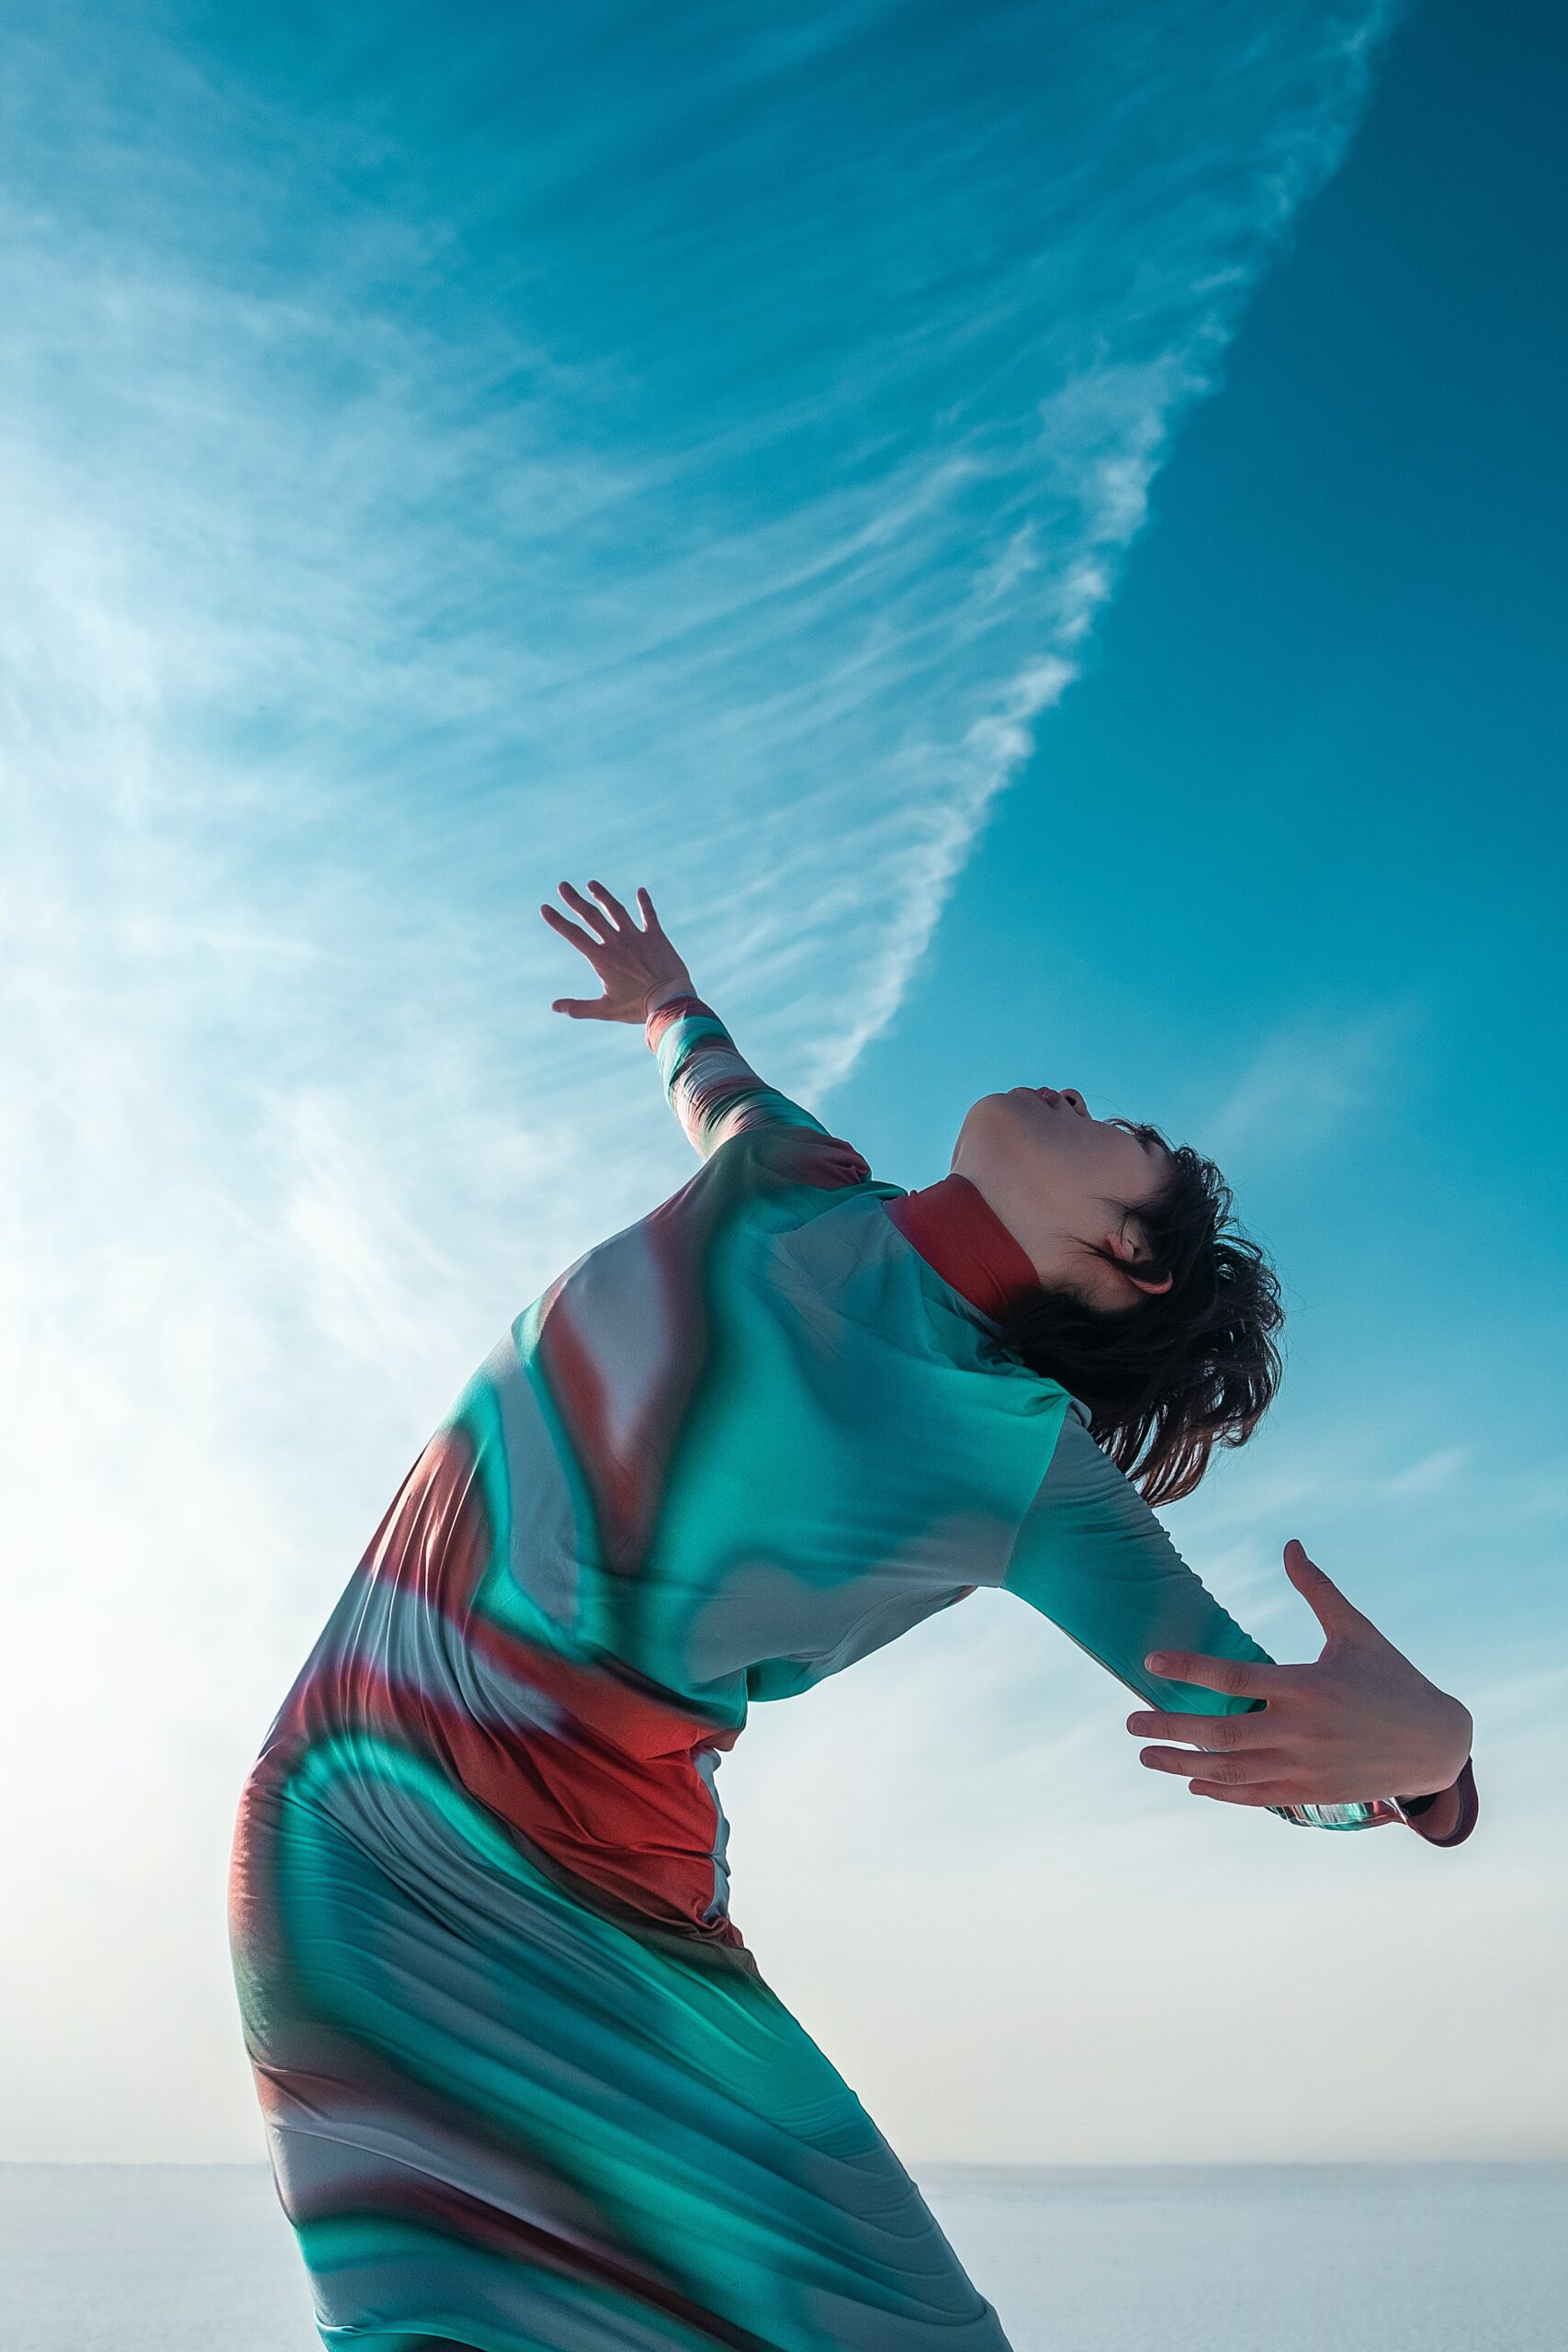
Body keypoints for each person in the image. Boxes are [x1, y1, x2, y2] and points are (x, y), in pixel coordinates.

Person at [229, 878, 1476, 2352]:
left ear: (1131, 1257)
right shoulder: (797, 1170)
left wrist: (1432, 1769)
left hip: (594, 1904)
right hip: (339, 1839)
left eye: (1125, 1140)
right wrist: (661, 1001)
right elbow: (714, 1079)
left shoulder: (1015, 1459)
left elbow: (1250, 1731)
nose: (1088, 1098)